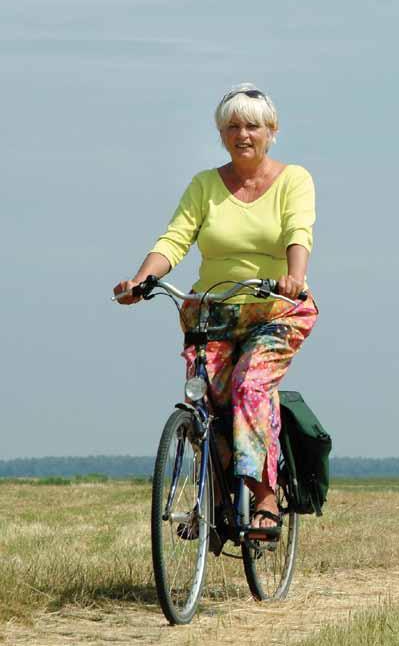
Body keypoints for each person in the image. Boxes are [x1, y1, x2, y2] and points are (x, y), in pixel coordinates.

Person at [113, 83, 318, 539]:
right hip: (212, 312)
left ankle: (263, 495)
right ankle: (216, 498)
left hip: (276, 310)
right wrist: (141, 279)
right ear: (220, 133)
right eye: (232, 126)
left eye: (252, 125)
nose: (242, 134)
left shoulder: (293, 179)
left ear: (272, 131)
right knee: (205, 401)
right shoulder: (205, 185)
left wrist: (295, 278)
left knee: (250, 385)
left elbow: (297, 231)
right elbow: (175, 239)